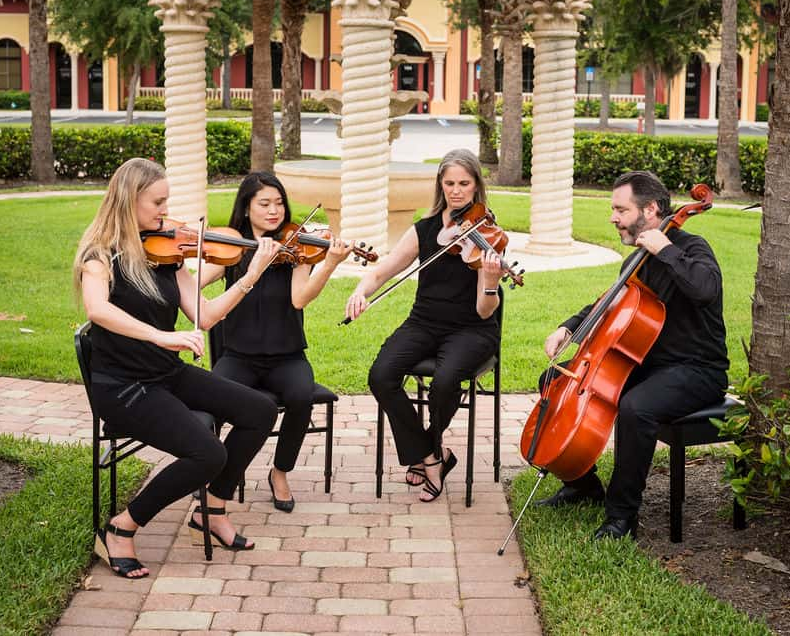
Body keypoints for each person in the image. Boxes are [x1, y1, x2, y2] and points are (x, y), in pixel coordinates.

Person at [73, 158, 278, 579]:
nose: (165, 212)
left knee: (259, 411)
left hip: (165, 375)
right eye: (157, 202)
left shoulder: (166, 254)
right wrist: (163, 336)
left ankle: (212, 509)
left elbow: (203, 315)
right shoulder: (100, 256)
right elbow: (98, 309)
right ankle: (121, 527)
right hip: (122, 386)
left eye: (166, 202)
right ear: (129, 201)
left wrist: (250, 275)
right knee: (207, 452)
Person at [535, 170, 729, 541]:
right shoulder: (635, 262)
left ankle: (621, 517)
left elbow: (706, 289)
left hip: (697, 370)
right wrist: (569, 328)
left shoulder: (691, 247)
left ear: (651, 209)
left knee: (636, 407)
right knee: (555, 381)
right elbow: (607, 304)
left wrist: (666, 250)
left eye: (620, 210)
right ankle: (581, 483)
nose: (613, 217)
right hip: (650, 365)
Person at [346, 149, 503, 502]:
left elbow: (483, 311)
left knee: (446, 381)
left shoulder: (488, 235)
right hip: (424, 322)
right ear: (440, 185)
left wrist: (490, 281)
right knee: (381, 375)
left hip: (471, 329)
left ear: (477, 185)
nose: (457, 191)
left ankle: (426, 453)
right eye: (449, 183)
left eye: (464, 183)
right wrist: (360, 290)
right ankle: (433, 455)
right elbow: (383, 270)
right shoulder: (425, 229)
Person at [201, 171, 353, 512]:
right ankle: (217, 473)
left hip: (287, 356)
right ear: (247, 207)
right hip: (238, 356)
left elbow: (299, 299)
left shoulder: (297, 245)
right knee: (211, 403)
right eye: (264, 203)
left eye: (279, 203)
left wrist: (328, 264)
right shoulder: (233, 248)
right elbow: (194, 284)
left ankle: (280, 472)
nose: (274, 210)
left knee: (301, 396)